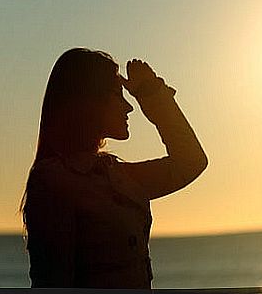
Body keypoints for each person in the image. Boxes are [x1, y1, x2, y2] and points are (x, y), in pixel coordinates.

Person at [18, 48, 208, 288]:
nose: (129, 107)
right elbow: (53, 282)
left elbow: (191, 161)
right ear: (89, 102)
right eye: (118, 95)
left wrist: (153, 95)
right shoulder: (54, 181)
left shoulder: (117, 175)